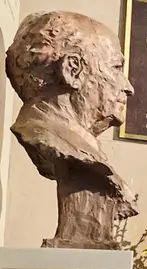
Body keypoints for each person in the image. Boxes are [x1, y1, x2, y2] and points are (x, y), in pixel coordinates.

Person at [5, 11, 138, 249]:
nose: (128, 87)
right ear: (72, 70)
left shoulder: (83, 151)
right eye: (116, 68)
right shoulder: (54, 142)